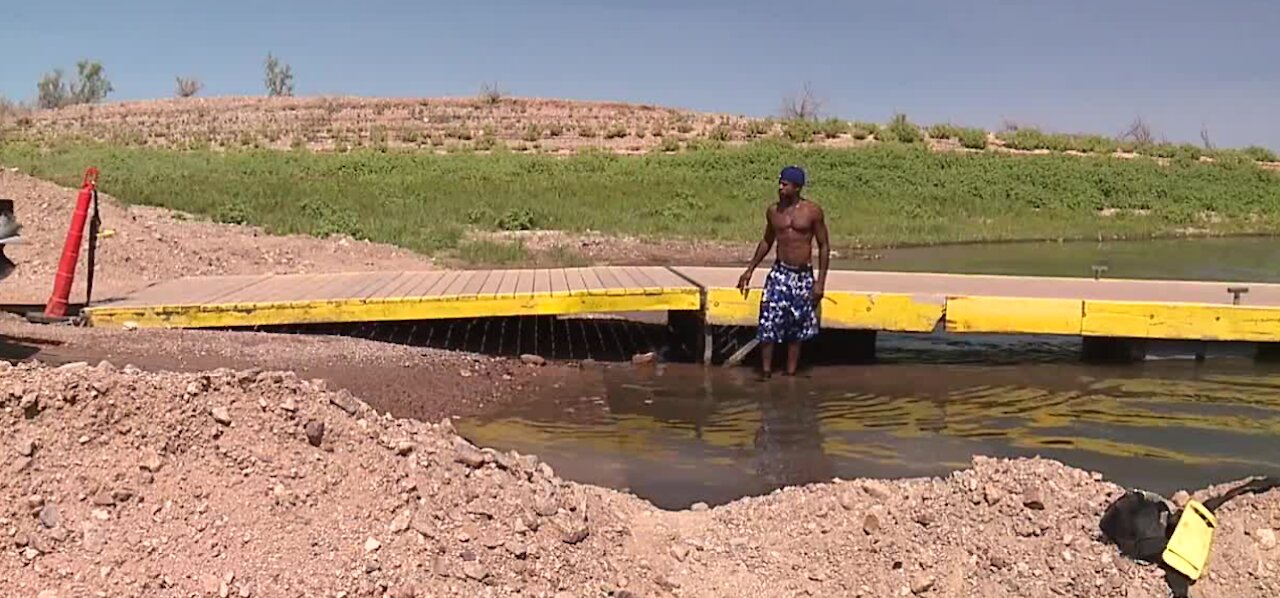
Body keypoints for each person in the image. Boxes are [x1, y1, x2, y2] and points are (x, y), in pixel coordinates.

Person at [736, 165, 830, 378]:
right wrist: (749, 270)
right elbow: (767, 240)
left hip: (802, 276)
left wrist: (820, 283)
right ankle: (766, 372)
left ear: (797, 187)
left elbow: (824, 246)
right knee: (768, 321)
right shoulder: (773, 211)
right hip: (779, 273)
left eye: (784, 184)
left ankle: (790, 373)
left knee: (796, 327)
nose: (780, 188)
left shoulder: (812, 212)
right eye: (779, 183)